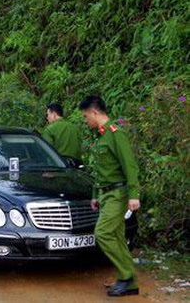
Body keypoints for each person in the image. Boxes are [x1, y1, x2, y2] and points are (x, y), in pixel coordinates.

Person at [79, 95, 140, 297]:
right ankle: (129, 283)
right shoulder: (102, 136)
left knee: (103, 233)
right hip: (106, 194)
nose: (86, 121)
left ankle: (126, 276)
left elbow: (129, 165)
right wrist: (96, 194)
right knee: (117, 237)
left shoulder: (116, 134)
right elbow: (101, 170)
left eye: (86, 116)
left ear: (95, 112)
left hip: (118, 193)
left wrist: (134, 195)